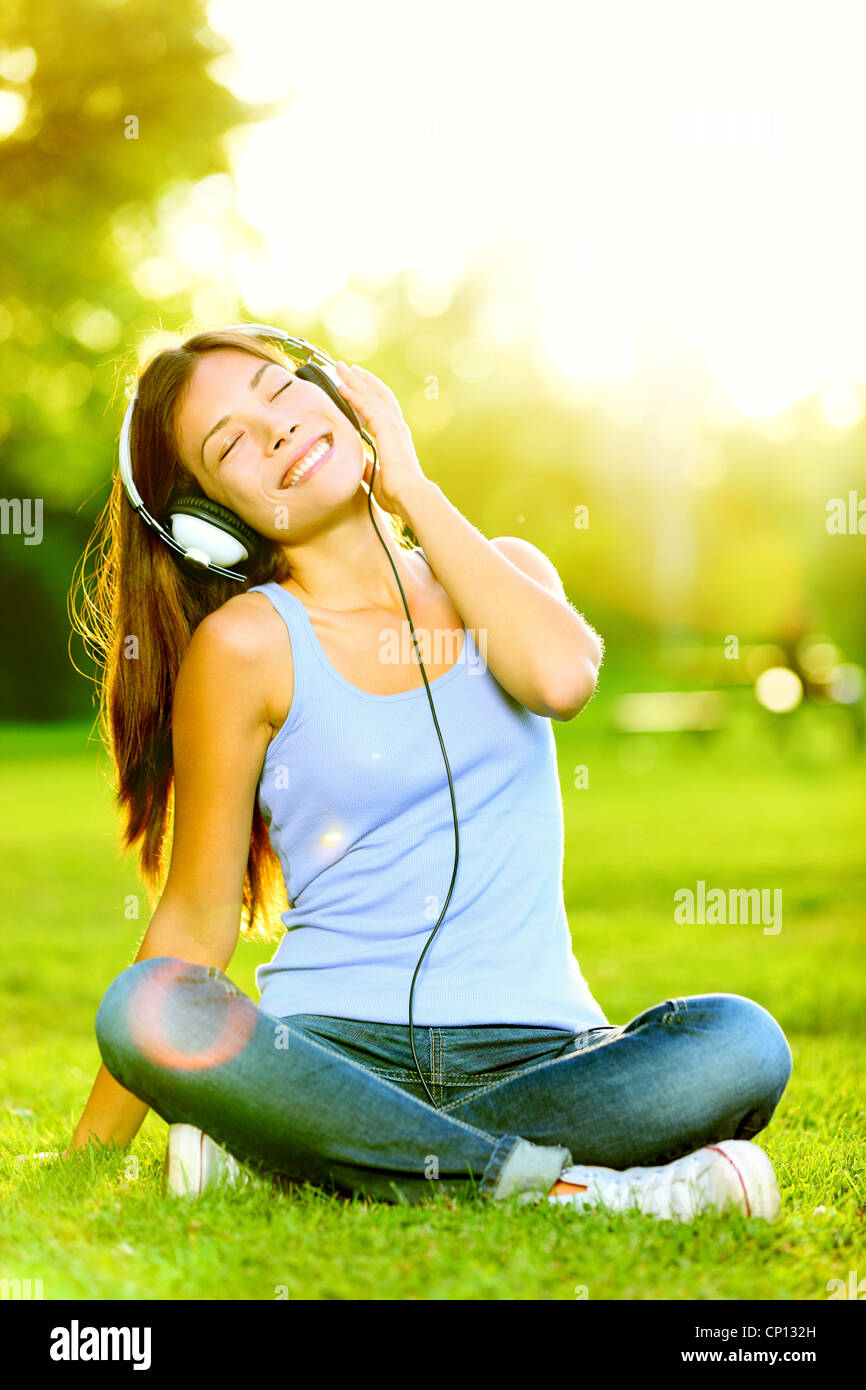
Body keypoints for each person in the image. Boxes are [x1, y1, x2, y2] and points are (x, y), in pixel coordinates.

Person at [68, 327, 792, 1217]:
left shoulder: (508, 574)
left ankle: (315, 1156)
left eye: (278, 390)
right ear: (211, 524)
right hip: (329, 1054)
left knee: (740, 1042)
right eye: (229, 445)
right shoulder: (246, 646)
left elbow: (561, 680)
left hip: (545, 1052)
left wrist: (407, 479)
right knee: (146, 1004)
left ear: (337, 391)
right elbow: (199, 912)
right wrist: (87, 1158)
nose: (276, 430)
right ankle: (562, 1190)